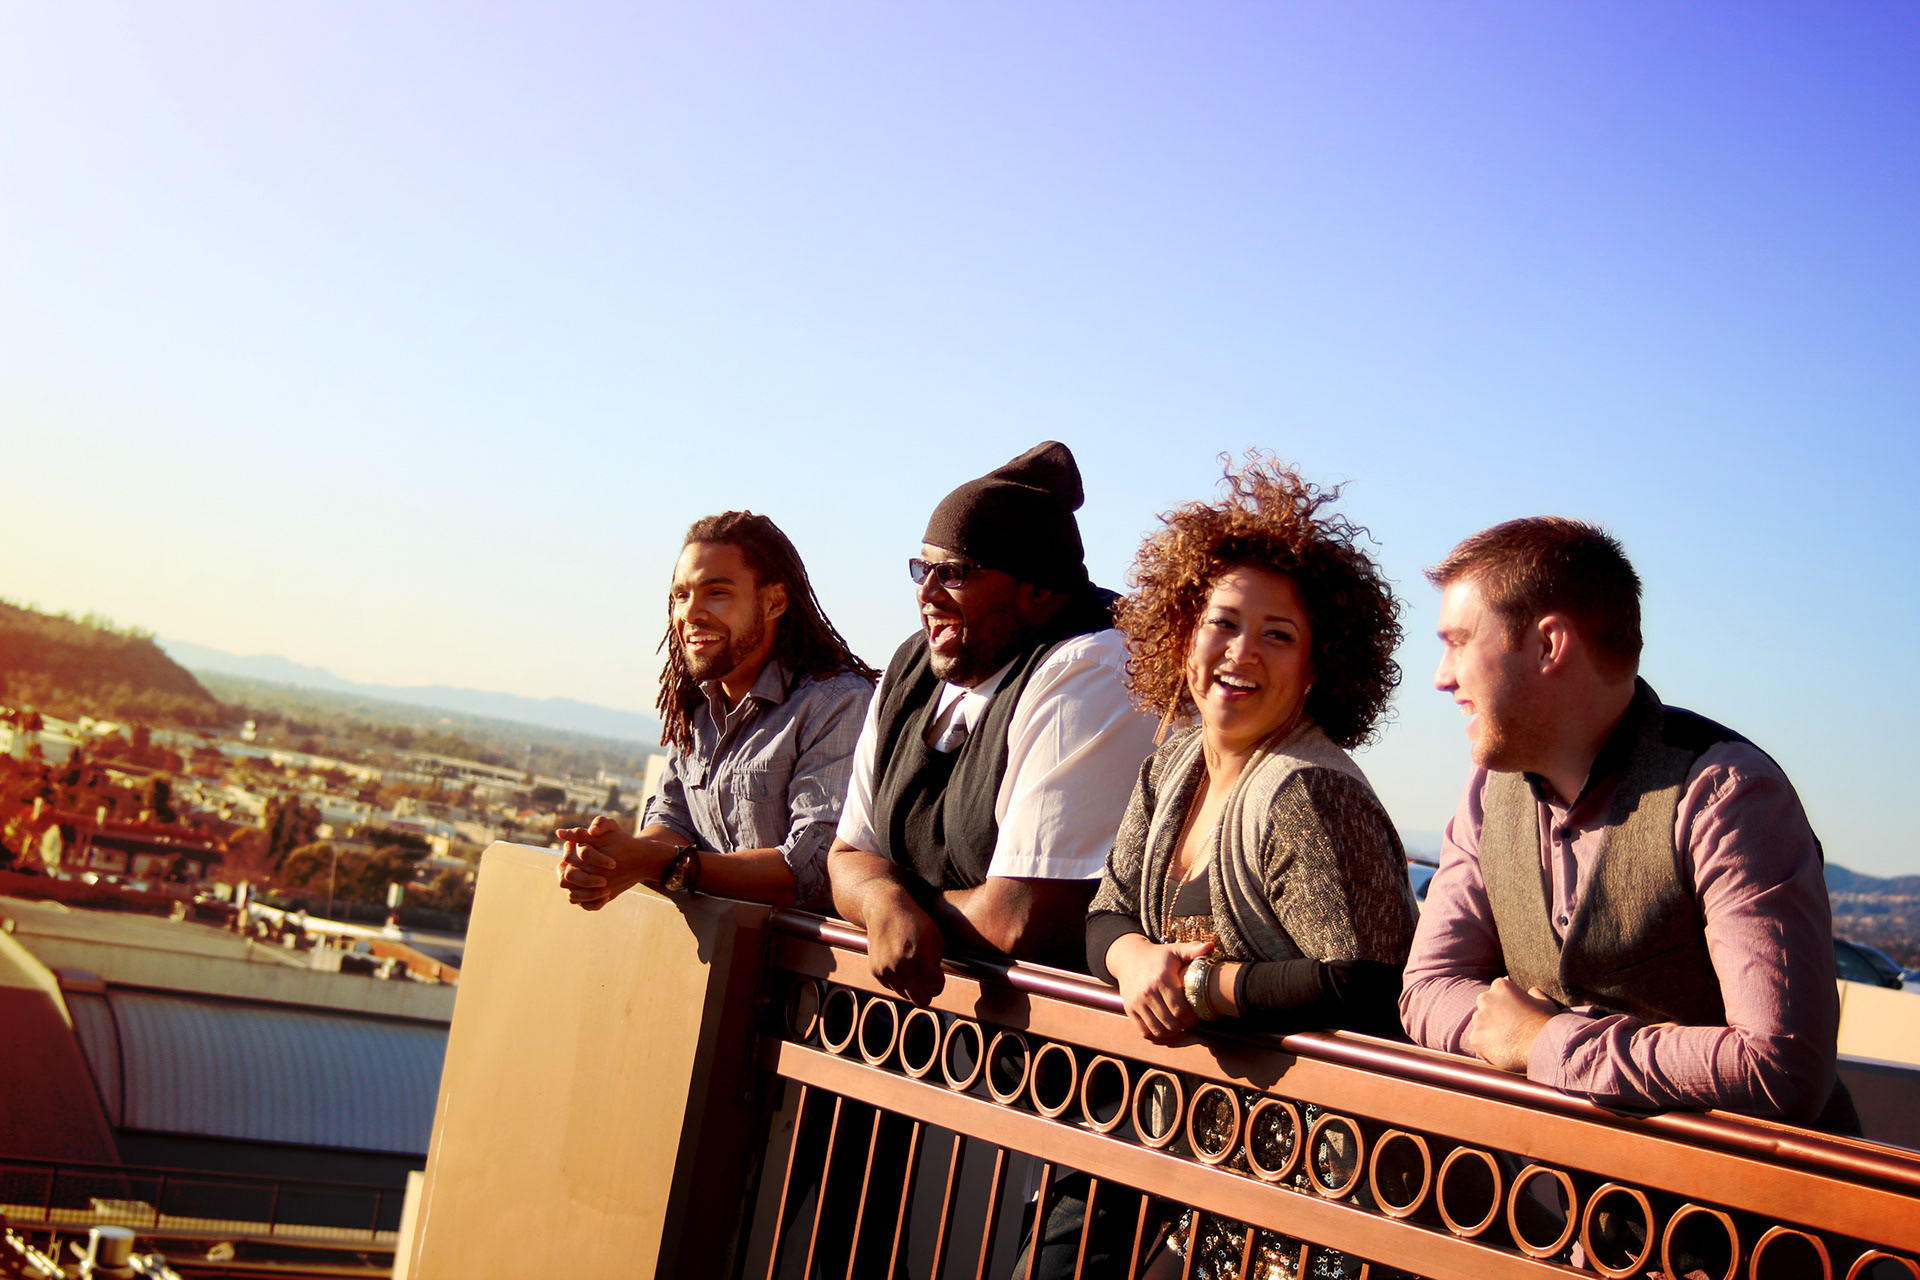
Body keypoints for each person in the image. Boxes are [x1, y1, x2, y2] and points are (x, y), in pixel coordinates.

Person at [1022, 455, 1418, 1280]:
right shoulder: (1171, 763)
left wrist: (1201, 989)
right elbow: (1107, 911)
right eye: (1224, 623)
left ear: (1316, 668)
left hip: (1304, 1182)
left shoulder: (1309, 792)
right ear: (1184, 631)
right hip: (1180, 1129)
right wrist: (1135, 960)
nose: (1242, 653)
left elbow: (1366, 981)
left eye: (1278, 635)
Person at [1399, 517, 1854, 1131]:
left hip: (1743, 1192)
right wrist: (1507, 1034)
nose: (1441, 675)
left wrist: (1544, 1043)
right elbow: (1427, 987)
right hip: (1555, 1187)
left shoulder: (1727, 796)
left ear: (1548, 645)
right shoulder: (1487, 793)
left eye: (1458, 642)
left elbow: (1782, 1067)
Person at [829, 441, 1158, 1001]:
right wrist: (885, 904)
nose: (926, 593)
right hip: (919, 1025)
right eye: (921, 569)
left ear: (1037, 590)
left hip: (1049, 1040)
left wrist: (906, 907)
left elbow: (1020, 920)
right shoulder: (914, 666)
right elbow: (847, 856)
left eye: (952, 573)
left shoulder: (1095, 666)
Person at [555, 511, 874, 911]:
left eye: (717, 593)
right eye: (681, 595)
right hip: (713, 946)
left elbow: (810, 870)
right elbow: (674, 818)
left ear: (774, 602)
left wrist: (660, 863)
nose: (690, 613)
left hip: (796, 952)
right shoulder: (698, 703)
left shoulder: (837, 704)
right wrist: (615, 859)